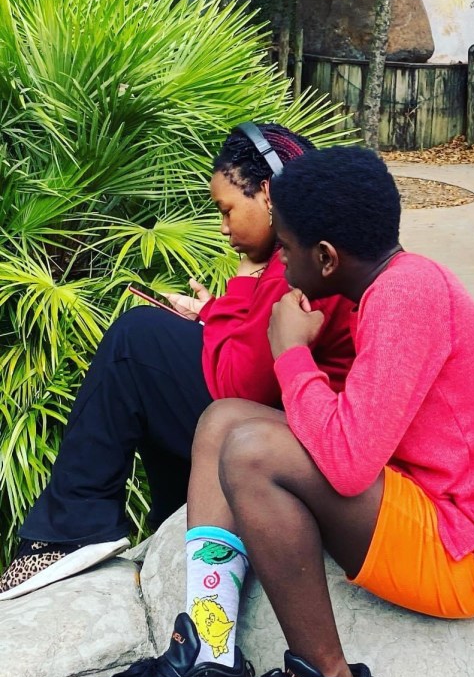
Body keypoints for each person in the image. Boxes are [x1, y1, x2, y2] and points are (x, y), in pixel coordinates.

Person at [61, 146, 474, 677]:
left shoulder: (407, 298)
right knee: (223, 420)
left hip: (465, 549)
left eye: (286, 247)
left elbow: (346, 464)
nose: (279, 260)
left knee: (251, 452)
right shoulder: (394, 285)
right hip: (428, 498)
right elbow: (352, 437)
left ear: (325, 257)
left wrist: (290, 353)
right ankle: (208, 663)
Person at [0, 124, 355, 602]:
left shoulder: (300, 266)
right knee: (157, 354)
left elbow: (237, 388)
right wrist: (212, 314)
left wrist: (242, 282)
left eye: (228, 210)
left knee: (136, 339)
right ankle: (171, 519)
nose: (224, 228)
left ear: (268, 193)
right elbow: (254, 349)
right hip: (291, 421)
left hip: (300, 442)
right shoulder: (310, 249)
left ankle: (72, 529)